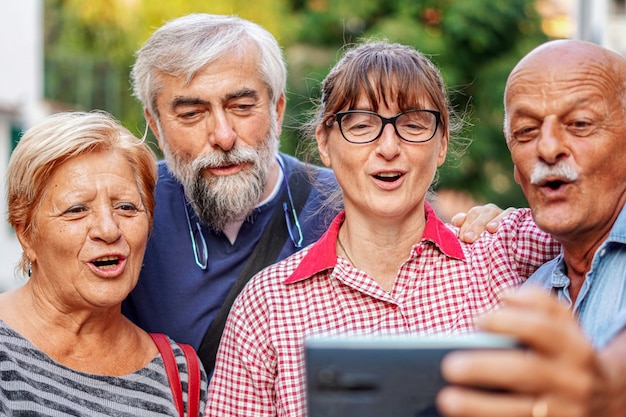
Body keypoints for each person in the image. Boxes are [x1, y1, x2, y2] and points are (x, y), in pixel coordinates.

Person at [122, 13, 506, 374]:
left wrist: (490, 228)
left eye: (241, 106)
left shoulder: (361, 196)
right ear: (155, 124)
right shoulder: (125, 215)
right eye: (191, 114)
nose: (223, 135)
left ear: (277, 109)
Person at [205, 40, 560, 417]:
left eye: (412, 124)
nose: (388, 147)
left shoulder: (505, 248)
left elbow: (606, 223)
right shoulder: (266, 306)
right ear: (325, 143)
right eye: (361, 125)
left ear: (441, 144)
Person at [437, 39, 626, 417]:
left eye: (580, 124)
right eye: (526, 131)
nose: (549, 147)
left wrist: (607, 394)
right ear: (516, 173)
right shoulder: (532, 286)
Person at [0, 111, 207, 416]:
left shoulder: (179, 373)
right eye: (76, 210)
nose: (108, 230)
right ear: (26, 235)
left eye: (126, 207)